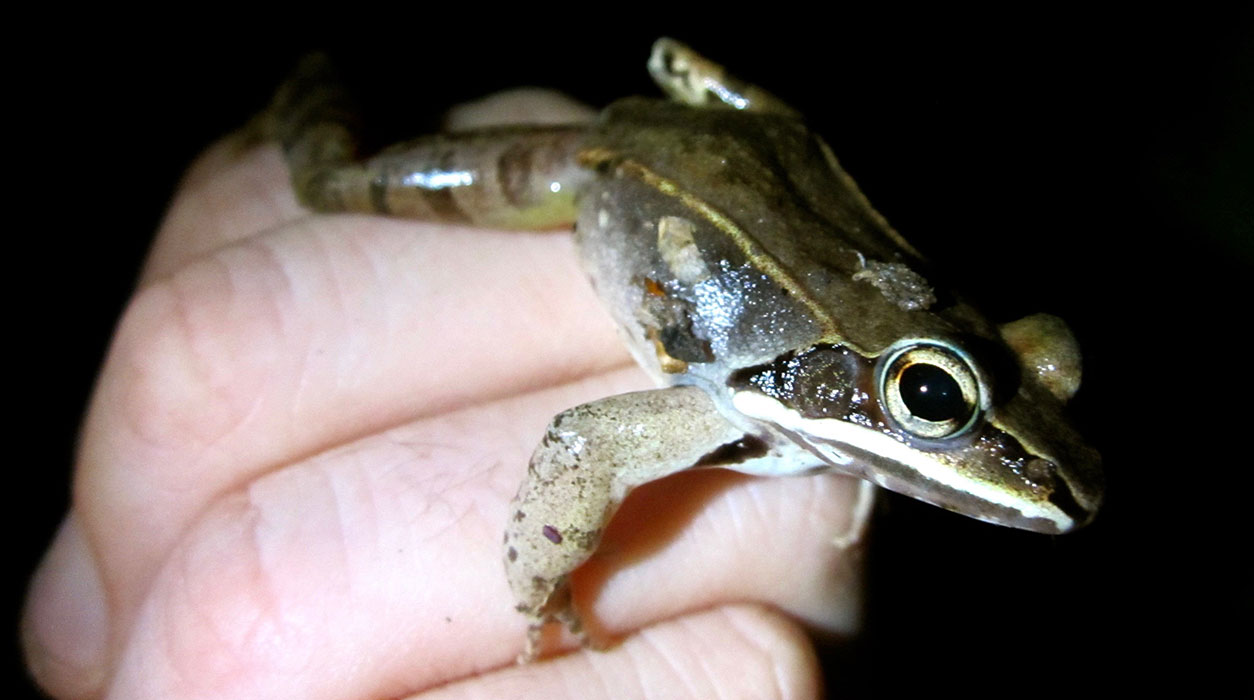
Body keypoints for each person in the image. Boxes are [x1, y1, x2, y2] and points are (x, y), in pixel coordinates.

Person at [22, 91, 861, 699]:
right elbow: (581, 443)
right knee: (330, 184)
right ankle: (303, 85)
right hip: (601, 167)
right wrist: (538, 583)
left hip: (738, 140)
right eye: (931, 398)